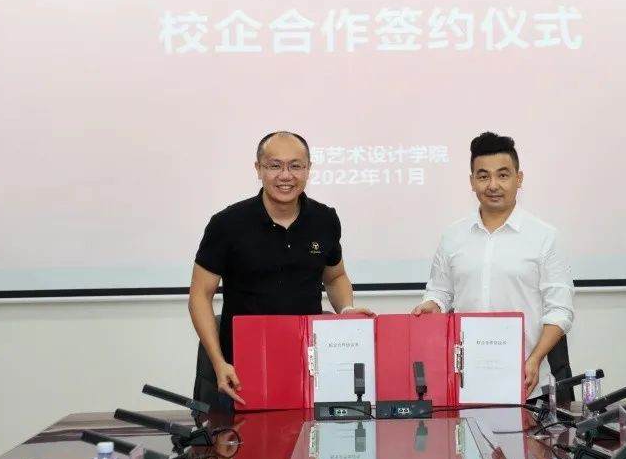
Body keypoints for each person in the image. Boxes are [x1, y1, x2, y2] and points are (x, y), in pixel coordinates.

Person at [189, 131, 372, 408]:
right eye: (275, 165)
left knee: (309, 435)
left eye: (295, 166)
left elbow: (335, 277)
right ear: (258, 169)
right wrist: (218, 361)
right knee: (241, 436)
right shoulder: (227, 224)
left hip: (308, 363)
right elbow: (200, 296)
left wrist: (346, 310)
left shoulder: (325, 219)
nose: (285, 176)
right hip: (241, 367)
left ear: (308, 169)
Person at [412, 131, 575, 401]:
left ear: (519, 179)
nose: (493, 185)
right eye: (483, 176)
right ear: (472, 182)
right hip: (466, 382)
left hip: (527, 384)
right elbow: (440, 292)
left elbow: (560, 310)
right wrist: (433, 304)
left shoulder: (544, 237)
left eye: (503, 175)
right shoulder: (453, 236)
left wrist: (535, 358)